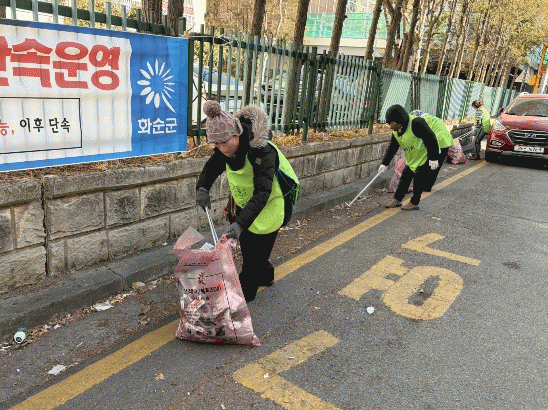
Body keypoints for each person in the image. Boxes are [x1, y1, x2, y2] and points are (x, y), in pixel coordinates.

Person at [195, 100, 299, 302]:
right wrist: (202, 188)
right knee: (251, 252)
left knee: (255, 256)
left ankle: (243, 296)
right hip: (246, 207)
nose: (221, 149)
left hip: (270, 206)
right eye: (216, 144)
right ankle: (266, 276)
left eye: (225, 143)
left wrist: (240, 224)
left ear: (236, 134)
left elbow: (262, 192)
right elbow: (211, 167)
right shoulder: (225, 149)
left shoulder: (263, 152)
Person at [379, 104, 440, 211]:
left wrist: (433, 157)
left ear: (400, 120)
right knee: (405, 178)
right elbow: (392, 148)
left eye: (392, 122)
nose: (391, 126)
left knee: (419, 180)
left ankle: (414, 202)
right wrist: (384, 163)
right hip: (412, 159)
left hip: (425, 156)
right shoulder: (396, 132)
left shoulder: (416, 123)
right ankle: (397, 199)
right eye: (389, 123)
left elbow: (431, 138)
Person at [409, 110, 454, 192]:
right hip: (446, 142)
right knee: (436, 167)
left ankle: (422, 186)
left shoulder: (421, 121)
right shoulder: (434, 118)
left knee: (426, 165)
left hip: (436, 142)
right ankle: (427, 186)